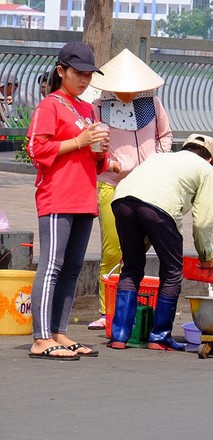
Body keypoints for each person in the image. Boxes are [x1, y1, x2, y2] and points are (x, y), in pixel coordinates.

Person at [26, 41, 110, 360]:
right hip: (57, 196)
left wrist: (101, 153)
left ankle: (59, 332)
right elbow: (36, 149)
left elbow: (95, 160)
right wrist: (79, 140)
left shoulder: (87, 109)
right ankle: (41, 337)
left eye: (89, 74)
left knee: (72, 268)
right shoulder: (50, 105)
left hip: (84, 196)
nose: (85, 80)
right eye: (79, 73)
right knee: (52, 265)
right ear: (62, 71)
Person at [86, 48, 173, 331]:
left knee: (141, 249)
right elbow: (94, 145)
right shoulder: (97, 107)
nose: (126, 93)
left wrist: (156, 160)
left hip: (148, 186)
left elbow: (165, 136)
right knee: (112, 248)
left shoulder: (154, 105)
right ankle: (106, 310)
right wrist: (109, 163)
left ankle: (133, 304)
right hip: (112, 184)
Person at [107, 134, 213, 351]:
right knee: (172, 273)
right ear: (210, 159)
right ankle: (160, 337)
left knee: (131, 268)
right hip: (160, 208)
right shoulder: (207, 170)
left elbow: (143, 206)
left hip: (122, 200)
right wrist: (206, 256)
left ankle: (119, 335)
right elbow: (204, 220)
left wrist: (133, 249)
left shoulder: (159, 157)